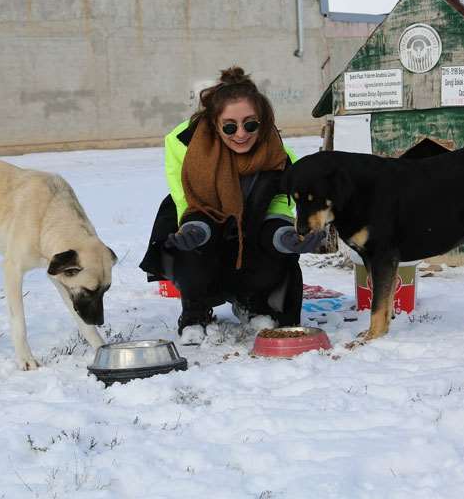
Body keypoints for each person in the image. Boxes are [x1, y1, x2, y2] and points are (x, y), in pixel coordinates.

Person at [139, 66, 325, 345]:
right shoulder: (184, 147)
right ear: (214, 123)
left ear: (263, 121)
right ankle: (194, 311)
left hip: (251, 230)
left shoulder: (278, 155)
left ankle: (252, 302)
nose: (241, 134)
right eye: (230, 126)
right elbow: (186, 200)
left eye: (250, 124)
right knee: (190, 250)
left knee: (279, 255)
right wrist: (195, 229)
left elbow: (278, 205)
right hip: (202, 222)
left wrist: (286, 237)